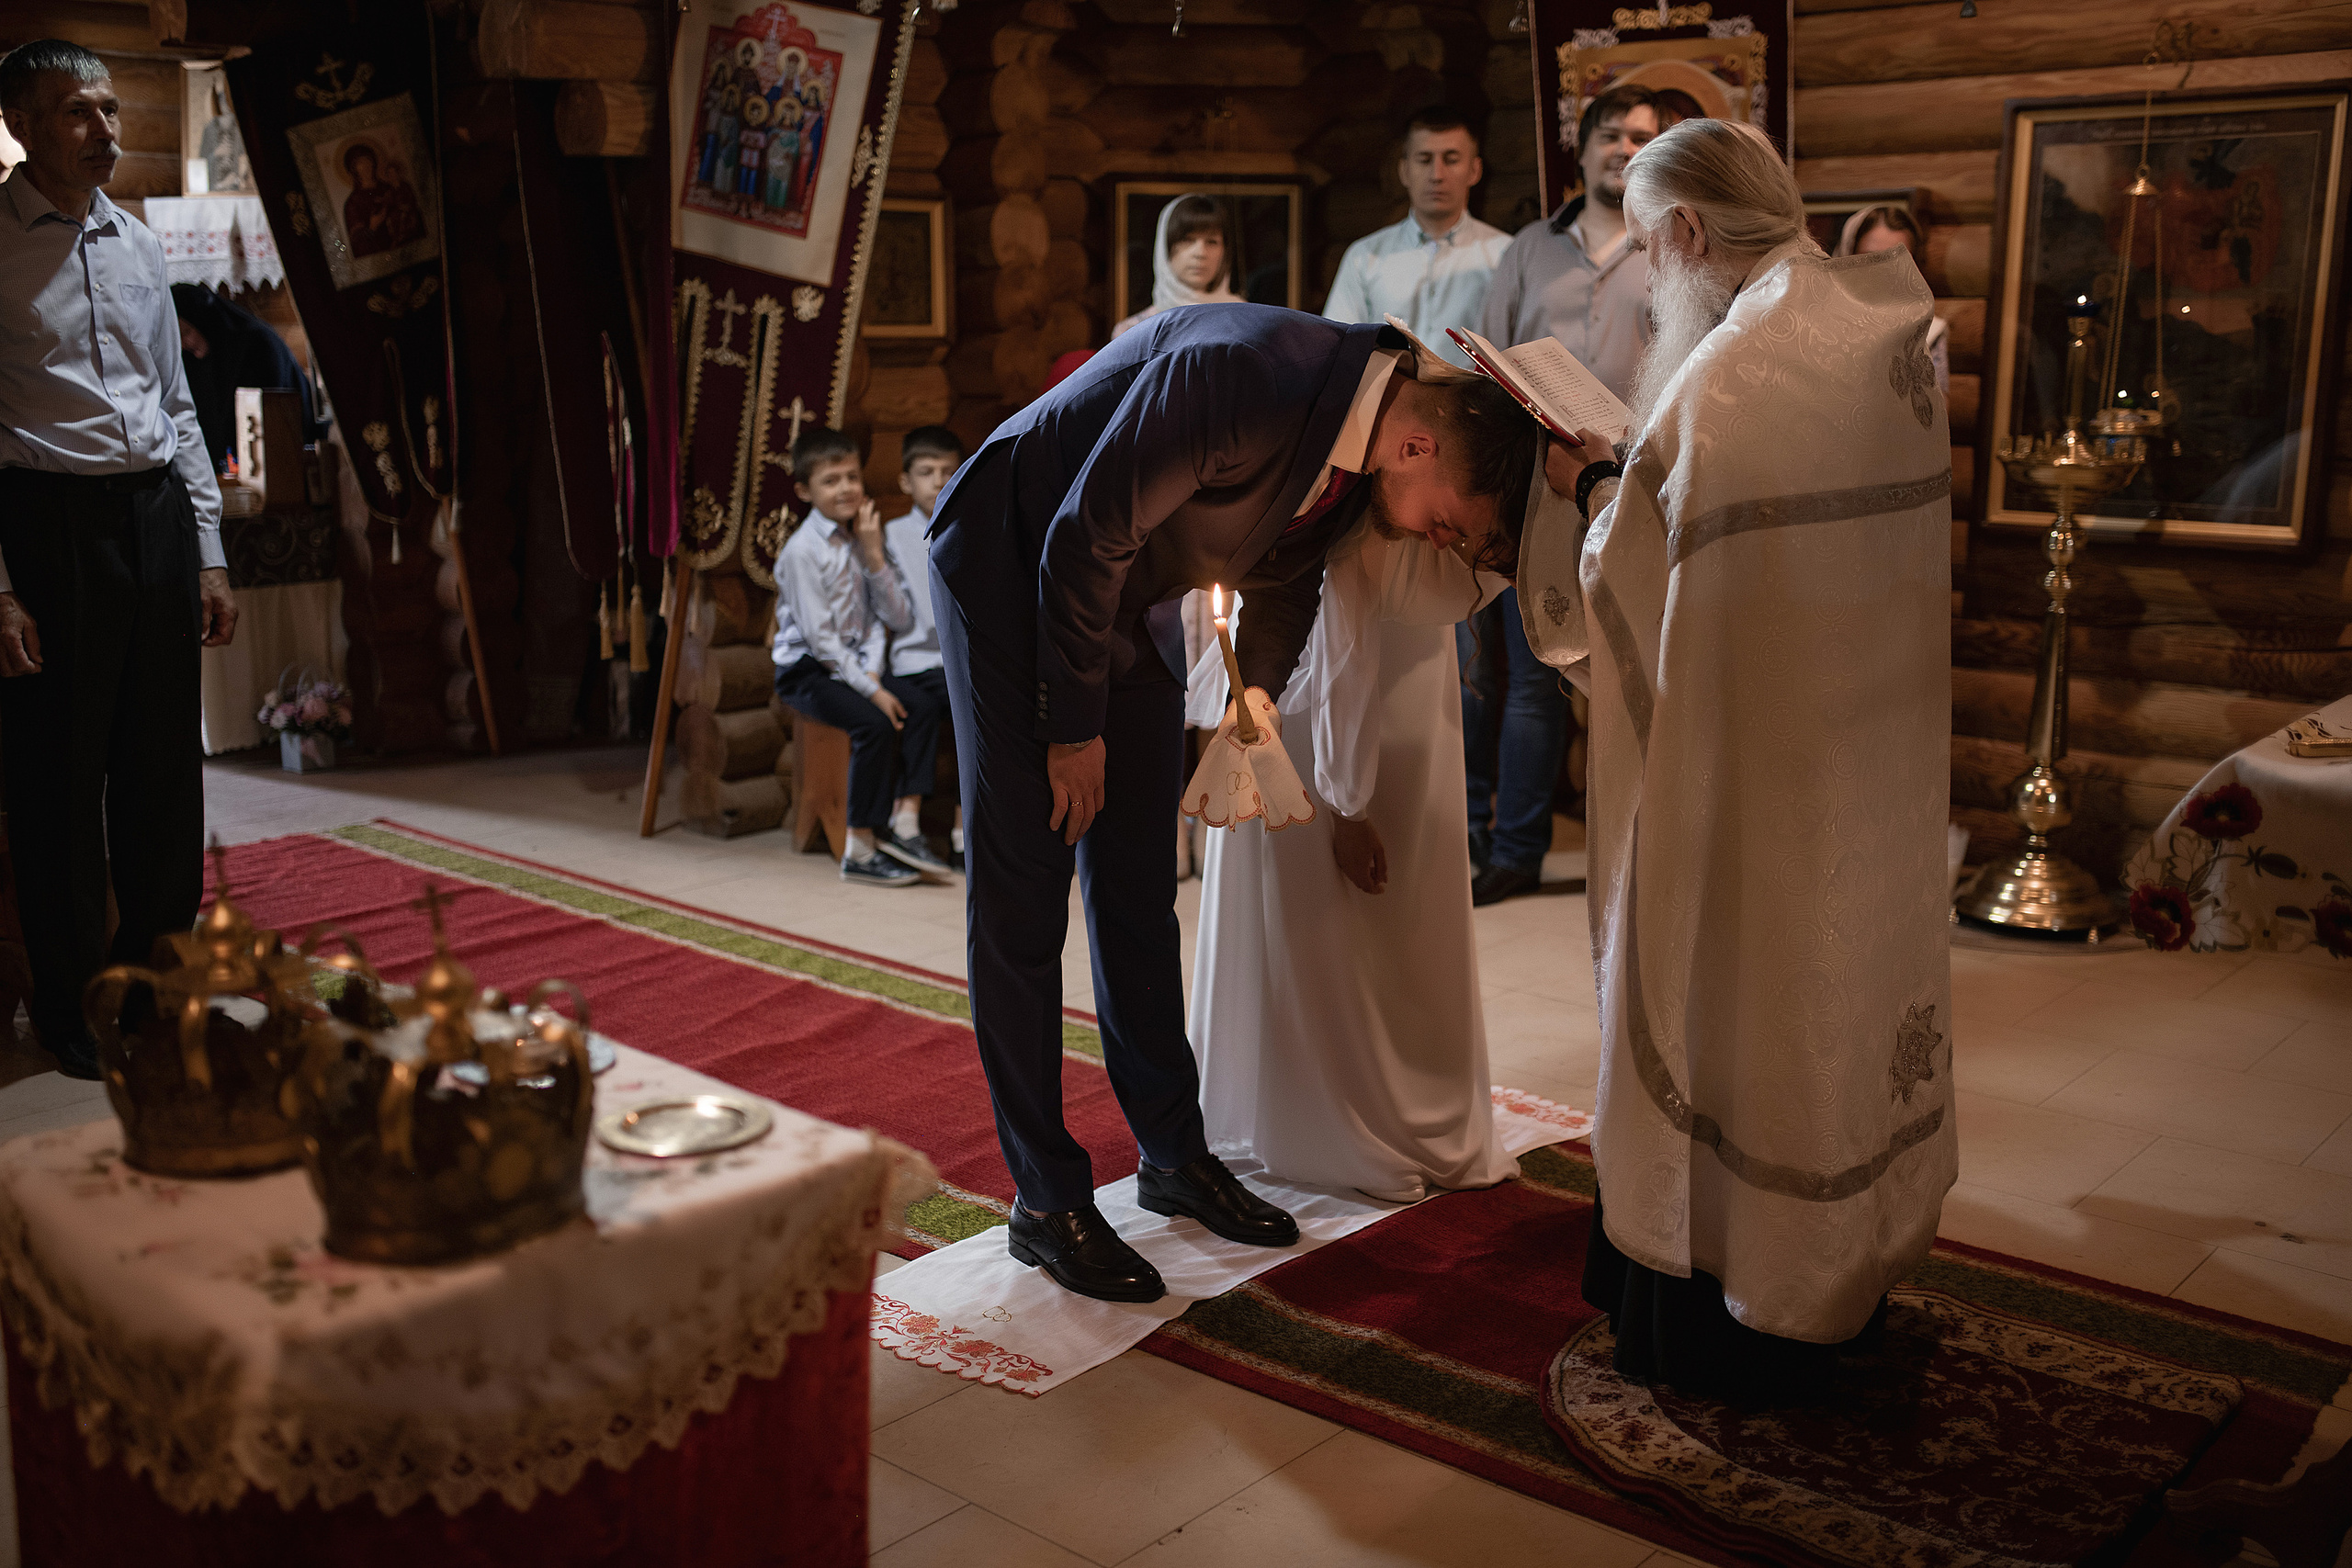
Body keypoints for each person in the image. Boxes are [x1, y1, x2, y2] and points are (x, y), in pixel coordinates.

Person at [929, 302, 1542, 1303]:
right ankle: (1044, 1200)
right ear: (1419, 444)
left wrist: (1253, 693)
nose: (1435, 537)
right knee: (1026, 893)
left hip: (1128, 594)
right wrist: (1070, 731)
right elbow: (1083, 535)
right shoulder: (1244, 374)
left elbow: (1290, 570)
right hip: (1016, 566)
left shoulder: (1367, 441)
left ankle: (1171, 1153)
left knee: (1135, 886)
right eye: (1448, 521)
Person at [1529, 118, 1955, 1402]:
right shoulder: (1878, 328)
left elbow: (1622, 594)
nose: (1656, 274)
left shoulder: (1731, 371)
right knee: (1828, 1001)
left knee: (1728, 998)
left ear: (1693, 234)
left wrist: (1578, 496)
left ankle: (1724, 1293)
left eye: (1655, 246)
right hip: (1857, 762)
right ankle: (1838, 1263)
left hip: (1739, 771)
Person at [0, 39, 238, 1078]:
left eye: (108, 109)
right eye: (76, 113)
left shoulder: (137, 243)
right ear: (20, 125)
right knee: (59, 781)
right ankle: (68, 1007)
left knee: (160, 773)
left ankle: (156, 993)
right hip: (46, 525)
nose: (105, 131)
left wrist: (210, 553)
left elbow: (177, 408)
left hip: (152, 523)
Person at [1190, 513, 1518, 1203]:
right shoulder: (1358, 495)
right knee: (1324, 902)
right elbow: (1342, 631)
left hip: (1407, 659)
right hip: (1321, 662)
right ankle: (1331, 1106)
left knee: (1407, 898)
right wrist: (1347, 803)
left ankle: (1397, 1093)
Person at [1463, 83, 1662, 906]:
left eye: (1641, 137)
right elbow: (1490, 349)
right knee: (1526, 672)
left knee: (1630, 669)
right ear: (1578, 151)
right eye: (1610, 134)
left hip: (1633, 486)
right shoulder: (1529, 250)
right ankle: (1510, 849)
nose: (1623, 147)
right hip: (1535, 484)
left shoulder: (1672, 246)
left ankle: (1641, 850)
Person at [769, 427, 938, 888]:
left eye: (852, 477)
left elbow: (886, 620)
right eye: (830, 480)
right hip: (806, 672)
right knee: (874, 723)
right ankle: (860, 848)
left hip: (853, 666)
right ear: (805, 490)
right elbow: (822, 643)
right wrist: (873, 690)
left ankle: (902, 828)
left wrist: (873, 555)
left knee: (922, 706)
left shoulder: (855, 541)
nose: (845, 488)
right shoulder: (803, 553)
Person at [1320, 106, 1510, 371]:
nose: (1437, 175)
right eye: (1424, 159)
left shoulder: (1505, 256)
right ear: (1404, 171)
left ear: (1474, 170)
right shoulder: (1365, 256)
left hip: (1475, 407)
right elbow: (1337, 348)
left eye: (1451, 159)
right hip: (1388, 406)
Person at [858, 425, 965, 874]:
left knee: (984, 709)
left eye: (948, 471)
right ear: (906, 481)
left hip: (957, 662)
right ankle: (906, 823)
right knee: (921, 706)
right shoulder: (893, 534)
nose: (938, 481)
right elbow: (898, 618)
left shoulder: (968, 526)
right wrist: (877, 561)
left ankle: (966, 832)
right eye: (926, 472)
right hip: (911, 662)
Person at [170, 284, 319, 473]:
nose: (184, 344)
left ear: (202, 320)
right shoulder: (194, 360)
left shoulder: (257, 344)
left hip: (281, 460)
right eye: (177, 338)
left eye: (186, 333)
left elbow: (272, 416)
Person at [1838, 204, 1950, 393]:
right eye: (1869, 259)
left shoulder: (1929, 335)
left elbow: (1938, 416)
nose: (1882, 273)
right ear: (1848, 255)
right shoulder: (1822, 326)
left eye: (1896, 261)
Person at [1111, 193, 1244, 338]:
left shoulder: (1246, 319)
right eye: (1187, 240)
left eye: (1212, 242)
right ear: (1164, 246)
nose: (1200, 253)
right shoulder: (1133, 331)